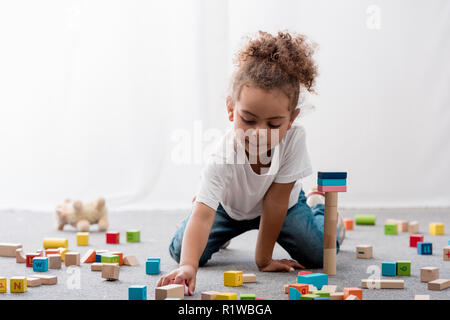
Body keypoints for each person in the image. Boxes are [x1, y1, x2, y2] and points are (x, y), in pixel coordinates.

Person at [157, 30, 345, 295]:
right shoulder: (222, 156)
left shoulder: (294, 139)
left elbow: (276, 201)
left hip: (284, 207)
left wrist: (263, 259)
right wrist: (188, 267)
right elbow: (204, 217)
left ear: (291, 120)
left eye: (273, 124)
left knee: (321, 254)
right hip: (230, 209)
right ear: (231, 110)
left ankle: (322, 210)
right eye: (248, 119)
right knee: (181, 252)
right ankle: (201, 201)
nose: (258, 132)